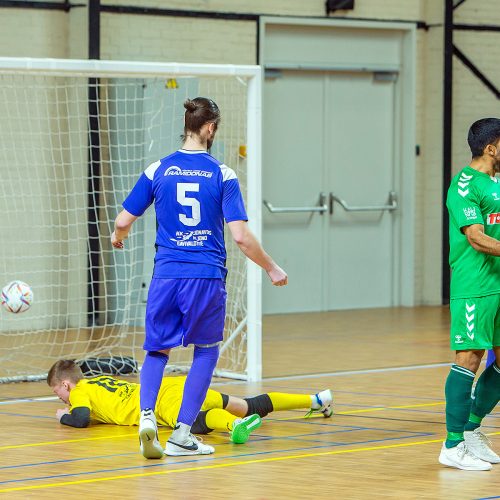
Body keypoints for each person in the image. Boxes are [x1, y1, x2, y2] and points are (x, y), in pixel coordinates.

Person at [111, 97, 288, 459]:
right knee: (205, 351)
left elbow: (123, 220)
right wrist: (271, 267)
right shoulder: (222, 174)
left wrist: (119, 238)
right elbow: (240, 236)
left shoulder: (157, 169)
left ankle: (147, 417)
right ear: (210, 129)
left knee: (156, 349)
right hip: (204, 277)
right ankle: (181, 434)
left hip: (166, 276)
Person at [47, 359, 333, 457]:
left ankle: (233, 427)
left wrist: (64, 417)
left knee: (195, 423)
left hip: (163, 401)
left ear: (66, 384)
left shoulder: (79, 393)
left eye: (57, 391)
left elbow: (82, 419)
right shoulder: (99, 380)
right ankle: (316, 400)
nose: (60, 398)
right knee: (247, 405)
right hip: (176, 384)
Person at [440, 117, 500, 471]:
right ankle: (452, 444)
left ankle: (472, 429)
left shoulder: (496, 182)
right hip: (474, 286)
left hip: (499, 284)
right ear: (491, 147)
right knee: (470, 358)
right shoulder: (464, 185)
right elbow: (476, 237)